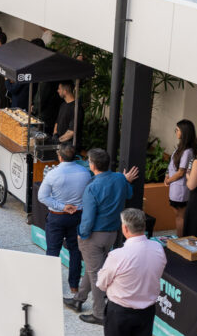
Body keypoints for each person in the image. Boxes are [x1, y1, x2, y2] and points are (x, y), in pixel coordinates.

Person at [97, 208, 167, 336]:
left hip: (119, 312)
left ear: (125, 228)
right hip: (146, 312)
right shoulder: (157, 249)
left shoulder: (118, 255)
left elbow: (102, 283)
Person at [69, 149, 140, 323]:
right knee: (93, 268)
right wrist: (126, 180)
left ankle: (99, 313)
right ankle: (79, 299)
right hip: (112, 234)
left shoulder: (92, 188)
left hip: (93, 236)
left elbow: (88, 218)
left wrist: (82, 235)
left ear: (92, 165)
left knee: (96, 275)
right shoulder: (119, 179)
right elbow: (129, 194)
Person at [39, 144, 92, 297]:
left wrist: (62, 207)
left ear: (60, 157)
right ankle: (74, 286)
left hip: (57, 217)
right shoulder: (85, 173)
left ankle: (50, 286)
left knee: (53, 251)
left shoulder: (53, 174)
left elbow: (42, 197)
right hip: (77, 216)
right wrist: (73, 207)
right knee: (75, 251)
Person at [165, 120, 197, 237]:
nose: (176, 132)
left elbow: (181, 172)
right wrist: (167, 175)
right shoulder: (180, 148)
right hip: (175, 188)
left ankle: (181, 240)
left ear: (184, 132)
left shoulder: (187, 151)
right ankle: (180, 238)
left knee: (180, 217)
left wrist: (168, 180)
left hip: (180, 189)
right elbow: (172, 165)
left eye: (177, 130)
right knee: (178, 216)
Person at [53, 81, 77, 148]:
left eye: (59, 89)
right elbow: (57, 121)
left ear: (65, 91)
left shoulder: (76, 108)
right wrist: (55, 134)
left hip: (69, 147)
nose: (58, 91)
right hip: (59, 144)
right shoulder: (63, 104)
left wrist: (58, 140)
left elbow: (72, 132)